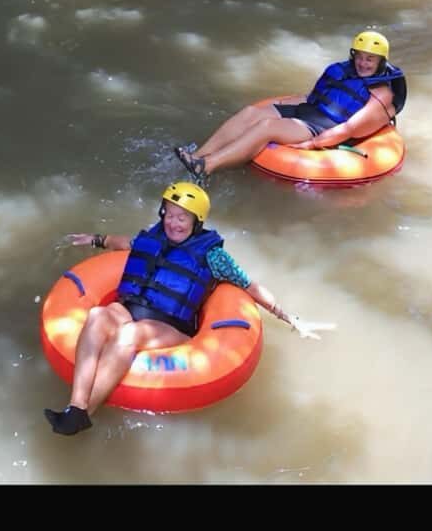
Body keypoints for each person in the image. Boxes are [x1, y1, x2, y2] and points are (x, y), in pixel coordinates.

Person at [44, 181, 330, 436]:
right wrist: (96, 239)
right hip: (132, 307)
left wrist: (291, 318)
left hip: (172, 328)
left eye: (182, 217)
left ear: (196, 220)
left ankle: (85, 415)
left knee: (130, 334)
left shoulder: (212, 255)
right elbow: (127, 245)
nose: (173, 223)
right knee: (96, 315)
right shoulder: (155, 238)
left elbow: (250, 286)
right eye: (169, 214)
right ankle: (76, 408)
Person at [174, 30, 407, 185]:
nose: (362, 63)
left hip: (322, 127)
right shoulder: (344, 70)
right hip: (309, 111)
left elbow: (349, 129)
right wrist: (282, 104)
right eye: (360, 56)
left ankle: (207, 166)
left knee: (267, 127)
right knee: (251, 113)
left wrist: (313, 144)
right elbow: (313, 97)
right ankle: (197, 155)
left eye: (370, 59)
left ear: (381, 62)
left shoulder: (381, 94)